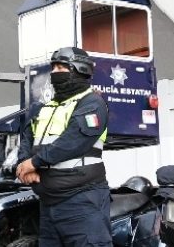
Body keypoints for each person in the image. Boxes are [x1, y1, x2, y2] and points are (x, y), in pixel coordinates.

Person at [16, 47, 111, 247]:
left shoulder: (92, 103)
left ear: (80, 70)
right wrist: (24, 166)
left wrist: (34, 162)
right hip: (48, 202)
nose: (55, 72)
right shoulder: (45, 108)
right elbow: (27, 137)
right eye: (53, 68)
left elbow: (73, 141)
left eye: (62, 67)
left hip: (82, 200)